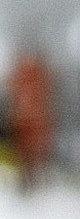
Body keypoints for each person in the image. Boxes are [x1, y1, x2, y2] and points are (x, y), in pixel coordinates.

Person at [7, 49, 53, 194]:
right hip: (25, 122)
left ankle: (31, 179)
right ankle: (27, 179)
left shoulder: (35, 73)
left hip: (32, 122)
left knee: (32, 151)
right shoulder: (26, 73)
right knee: (26, 151)